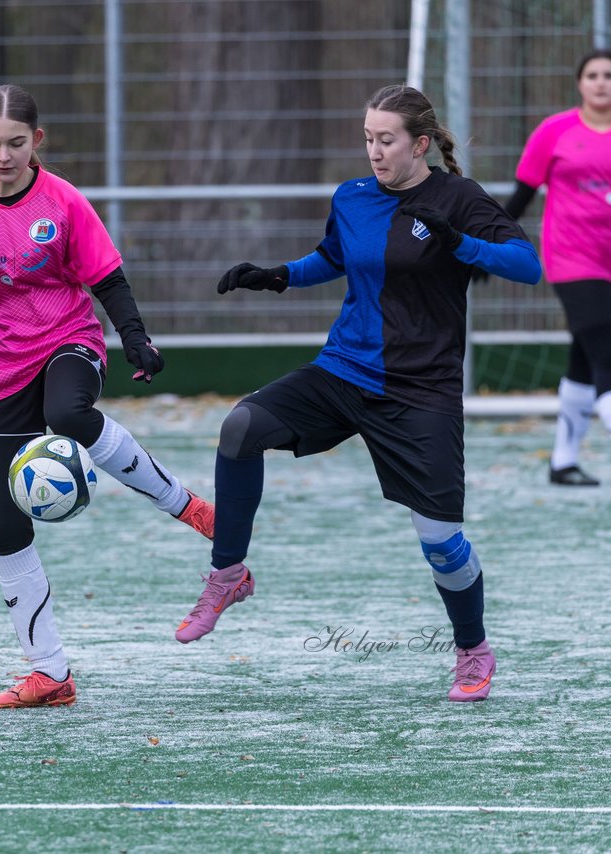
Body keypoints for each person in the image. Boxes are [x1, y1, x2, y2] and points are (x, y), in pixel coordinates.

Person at [179, 84, 542, 703]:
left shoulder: (458, 198)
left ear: (420, 144)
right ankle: (227, 573)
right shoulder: (351, 196)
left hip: (421, 389)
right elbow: (334, 256)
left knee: (441, 544)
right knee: (241, 428)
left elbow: (527, 265)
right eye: (368, 138)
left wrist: (460, 244)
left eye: (386, 140)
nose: (374, 151)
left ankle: (473, 650)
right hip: (344, 372)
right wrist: (277, 276)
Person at [0, 83, 215, 709]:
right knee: (3, 524)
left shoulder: (63, 201)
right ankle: (50, 673)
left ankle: (187, 506)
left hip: (67, 343)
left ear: (37, 140)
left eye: (17, 144)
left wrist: (135, 338)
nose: (4, 157)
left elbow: (108, 279)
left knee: (67, 412)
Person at [499, 49, 611, 487]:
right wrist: (488, 243)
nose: (601, 82)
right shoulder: (554, 131)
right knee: (606, 353)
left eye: (609, 75)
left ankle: (563, 462)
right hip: (570, 258)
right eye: (592, 75)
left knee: (585, 356)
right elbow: (521, 196)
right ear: (580, 83)